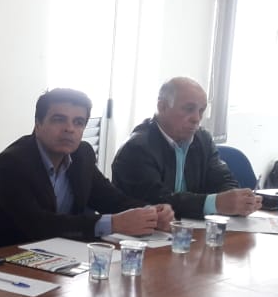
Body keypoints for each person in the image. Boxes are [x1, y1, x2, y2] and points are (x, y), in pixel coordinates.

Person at [0, 89, 174, 249]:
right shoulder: (12, 163)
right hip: (5, 260)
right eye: (59, 119)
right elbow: (38, 225)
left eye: (78, 122)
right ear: (38, 124)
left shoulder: (82, 154)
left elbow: (110, 198)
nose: (69, 128)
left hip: (61, 256)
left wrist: (151, 212)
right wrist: (112, 224)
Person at [111, 76, 261, 218]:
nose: (196, 118)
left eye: (201, 110)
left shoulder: (203, 139)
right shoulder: (137, 148)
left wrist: (238, 201)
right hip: (142, 238)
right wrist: (215, 203)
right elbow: (158, 201)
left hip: (192, 232)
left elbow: (222, 180)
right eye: (189, 109)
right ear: (162, 106)